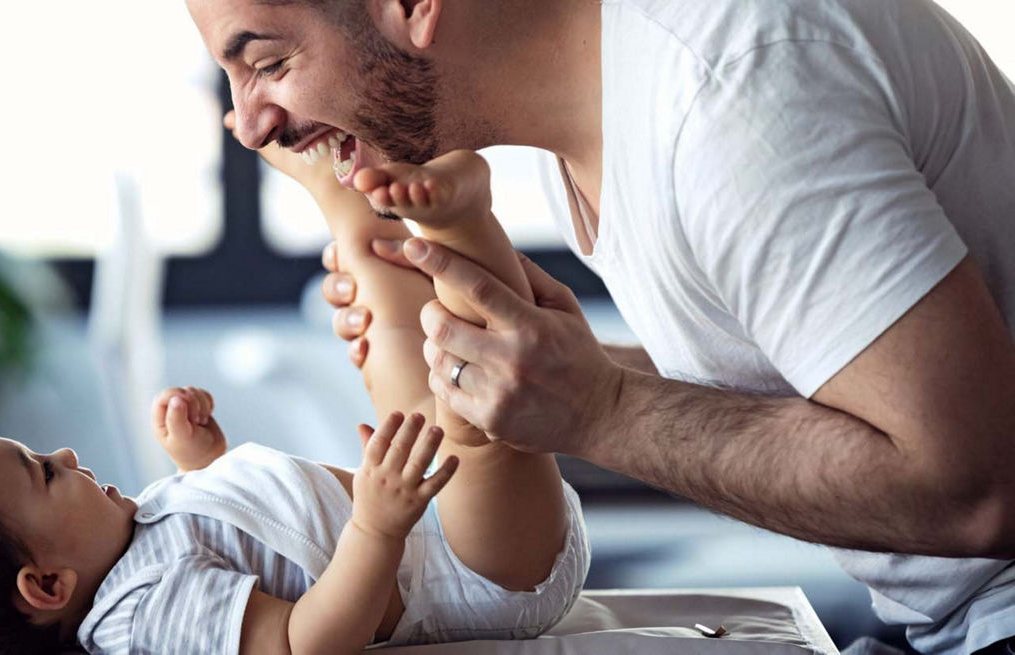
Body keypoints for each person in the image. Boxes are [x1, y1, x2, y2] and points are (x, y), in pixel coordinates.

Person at [185, 0, 1015, 652]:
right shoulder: (594, 118)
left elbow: (978, 490)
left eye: (269, 62)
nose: (250, 124)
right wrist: (558, 371)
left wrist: (602, 408)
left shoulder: (729, 97)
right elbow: (827, 364)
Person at [0, 143, 588, 654]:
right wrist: (377, 524)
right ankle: (467, 222)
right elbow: (300, 639)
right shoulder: (142, 613)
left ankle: (348, 191)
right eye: (44, 472)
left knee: (400, 340)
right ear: (47, 585)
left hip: (435, 523)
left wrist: (204, 459)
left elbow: (240, 539)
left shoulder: (132, 535)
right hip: (480, 575)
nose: (64, 453)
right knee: (472, 403)